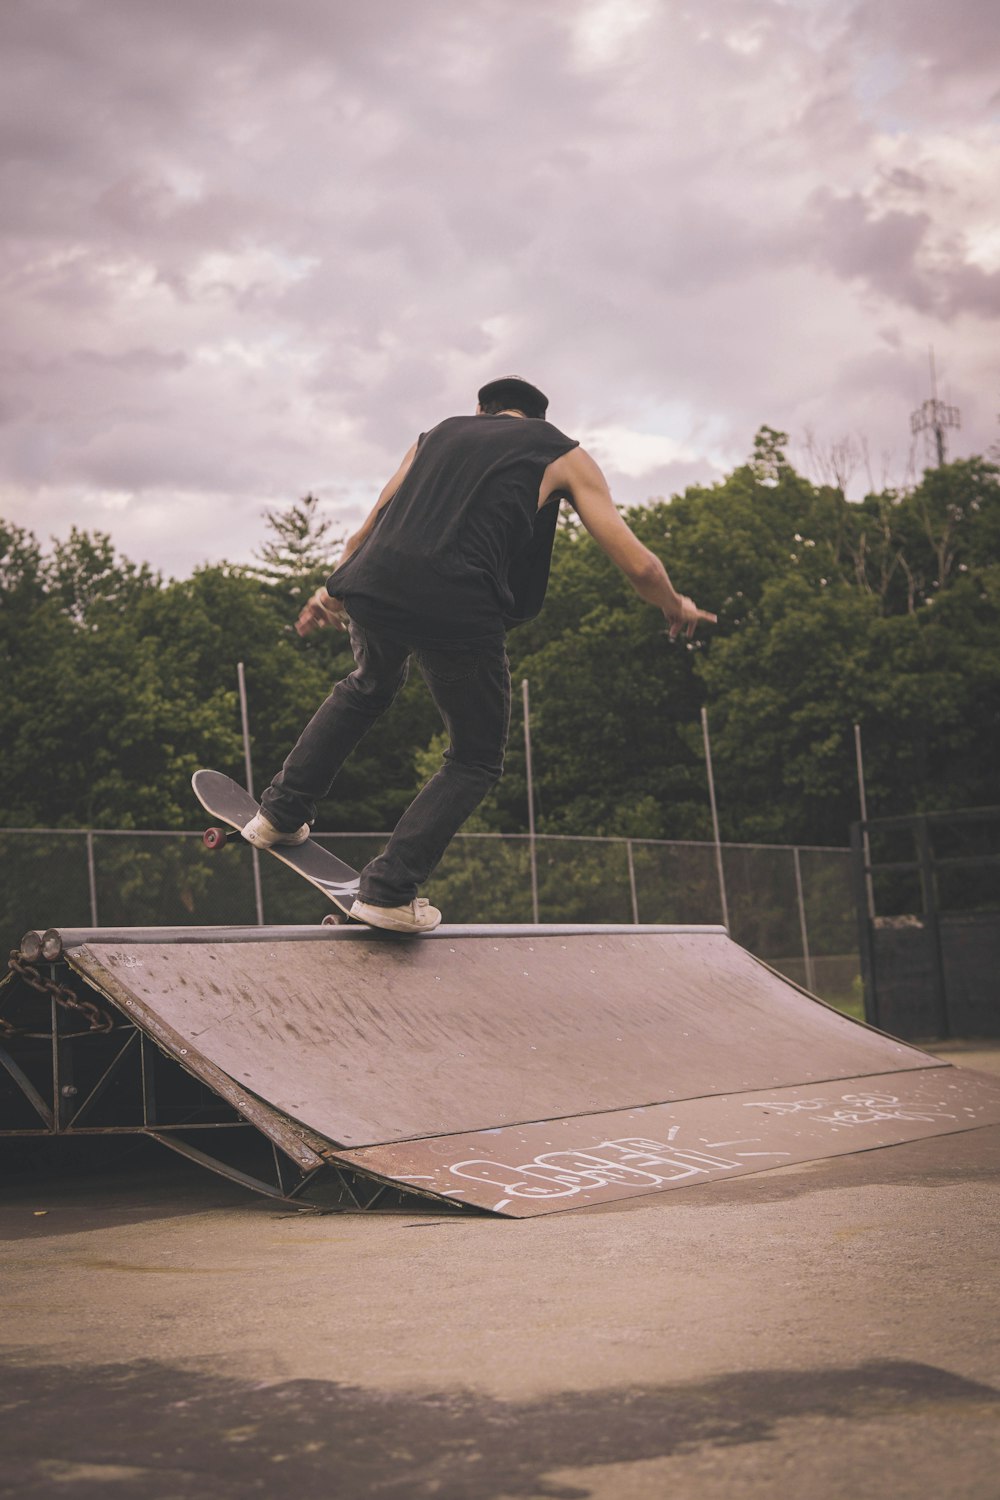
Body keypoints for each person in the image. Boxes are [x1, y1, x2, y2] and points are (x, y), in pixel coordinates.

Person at [243, 376, 716, 932]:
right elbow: (640, 566)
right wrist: (675, 603)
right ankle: (389, 889)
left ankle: (279, 813)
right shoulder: (562, 452)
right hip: (458, 603)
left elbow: (368, 529)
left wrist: (329, 589)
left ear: (480, 410)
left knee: (368, 683)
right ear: (537, 420)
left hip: (371, 583)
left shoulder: (435, 435)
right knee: (474, 756)